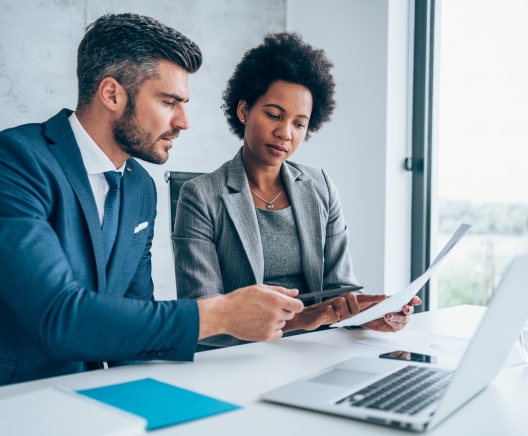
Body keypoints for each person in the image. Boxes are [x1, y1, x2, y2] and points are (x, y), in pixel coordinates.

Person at [0, 14, 310, 396]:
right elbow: (58, 318)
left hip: (86, 397)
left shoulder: (140, 188)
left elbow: (134, 322)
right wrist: (220, 315)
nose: (183, 121)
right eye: (169, 102)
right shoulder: (6, 162)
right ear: (112, 94)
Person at [173, 33, 420, 348]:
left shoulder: (320, 187)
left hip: (314, 350)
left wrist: (367, 313)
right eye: (274, 115)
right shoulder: (201, 196)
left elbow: (340, 289)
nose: (284, 133)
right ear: (244, 110)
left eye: (299, 124)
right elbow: (201, 314)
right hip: (238, 358)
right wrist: (306, 318)